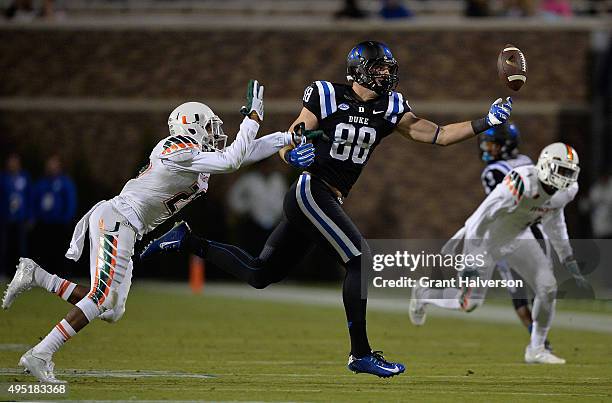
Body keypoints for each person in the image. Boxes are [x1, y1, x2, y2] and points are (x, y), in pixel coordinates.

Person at [141, 41, 514, 378]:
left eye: (388, 68)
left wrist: (486, 121)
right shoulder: (326, 95)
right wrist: (293, 155)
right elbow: (292, 139)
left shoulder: (390, 107)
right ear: (359, 69)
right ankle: (360, 354)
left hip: (327, 198)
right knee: (360, 259)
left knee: (260, 273)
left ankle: (187, 240)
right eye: (380, 68)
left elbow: (438, 134)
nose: (386, 74)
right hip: (310, 190)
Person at [1, 80, 313, 383]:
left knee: (111, 308)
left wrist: (287, 138)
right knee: (101, 298)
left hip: (125, 225)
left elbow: (241, 154)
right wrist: (252, 119)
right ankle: (41, 353)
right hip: (118, 219)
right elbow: (232, 160)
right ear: (191, 127)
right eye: (208, 127)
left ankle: (36, 275)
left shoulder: (195, 156)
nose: (215, 133)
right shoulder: (176, 148)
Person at [409, 142, 586, 364]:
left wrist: (566, 255)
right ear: (545, 165)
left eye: (569, 172)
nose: (565, 178)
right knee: (470, 303)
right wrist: (471, 253)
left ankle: (536, 349)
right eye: (561, 171)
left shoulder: (566, 191)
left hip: (519, 238)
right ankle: (424, 294)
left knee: (548, 287)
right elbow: (479, 217)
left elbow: (555, 222)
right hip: (485, 240)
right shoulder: (521, 182)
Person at [478, 122, 553, 350]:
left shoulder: (493, 172)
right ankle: (539, 340)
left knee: (520, 290)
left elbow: (499, 207)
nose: (486, 149)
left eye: (491, 145)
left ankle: (538, 340)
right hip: (535, 227)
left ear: (505, 145)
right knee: (534, 287)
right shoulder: (527, 162)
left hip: (511, 234)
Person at [31, 155, 78, 277]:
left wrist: (67, 218)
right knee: (45, 249)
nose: (51, 168)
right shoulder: (41, 183)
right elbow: (34, 201)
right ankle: (46, 275)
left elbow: (70, 201)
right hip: (44, 222)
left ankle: (64, 274)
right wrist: (34, 217)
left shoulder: (65, 183)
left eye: (54, 165)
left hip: (60, 223)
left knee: (61, 249)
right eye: (49, 165)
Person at [0, 154, 32, 280]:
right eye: (10, 162)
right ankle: (3, 272)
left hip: (21, 219)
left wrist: (30, 216)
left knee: (21, 248)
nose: (12, 164)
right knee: (4, 247)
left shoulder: (25, 177)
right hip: (5, 218)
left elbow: (30, 197)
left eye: (15, 162)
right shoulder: (3, 178)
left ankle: (21, 274)